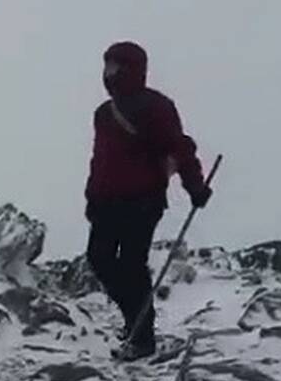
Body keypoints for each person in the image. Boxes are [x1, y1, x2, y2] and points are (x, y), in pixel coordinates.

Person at [84, 41, 212, 361]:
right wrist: (91, 196)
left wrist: (195, 187)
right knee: (99, 259)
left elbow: (180, 149)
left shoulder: (156, 107)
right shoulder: (103, 113)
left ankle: (142, 337)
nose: (109, 72)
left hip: (142, 201)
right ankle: (135, 320)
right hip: (106, 202)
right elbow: (98, 160)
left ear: (133, 69)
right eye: (107, 66)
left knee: (131, 265)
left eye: (115, 66)